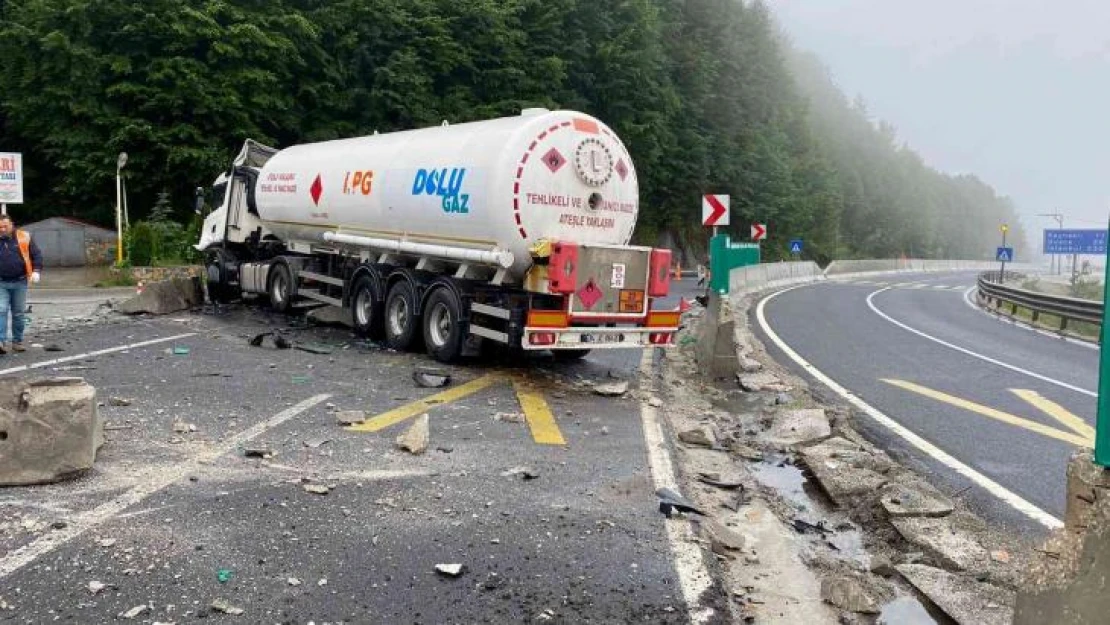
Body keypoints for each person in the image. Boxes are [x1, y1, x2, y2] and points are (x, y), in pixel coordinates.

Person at [0, 216, 42, 353]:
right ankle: (1, 342)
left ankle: (17, 341)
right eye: (0, 227)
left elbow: (36, 255)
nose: (2, 229)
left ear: (12, 224)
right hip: (1, 282)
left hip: (20, 281)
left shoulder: (24, 237)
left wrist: (36, 271)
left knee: (18, 313)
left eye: (5, 226)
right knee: (1, 310)